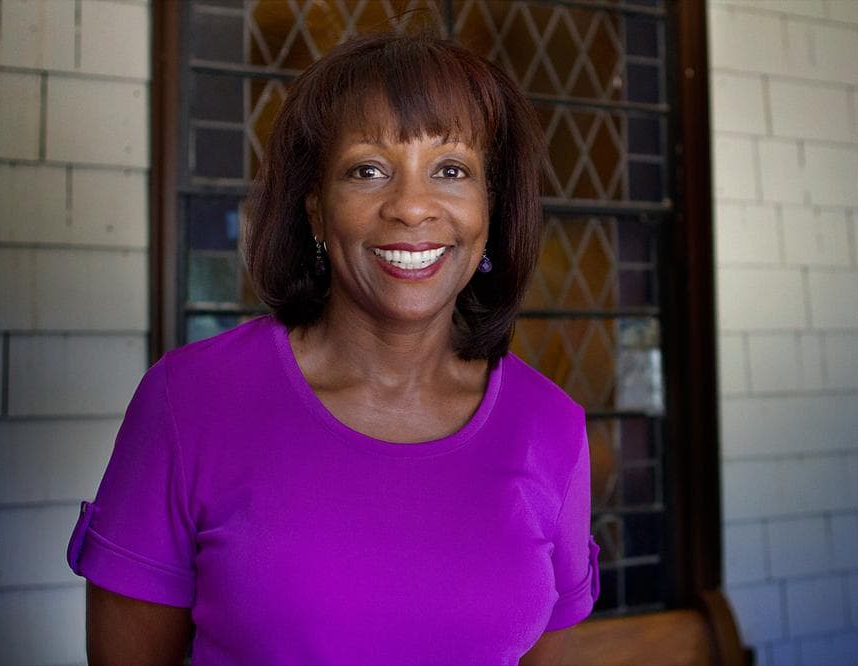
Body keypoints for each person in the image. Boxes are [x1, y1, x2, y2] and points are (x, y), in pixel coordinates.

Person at [67, 31, 599, 666]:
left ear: (491, 210)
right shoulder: (192, 402)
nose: (411, 207)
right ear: (316, 211)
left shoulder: (551, 426)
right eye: (368, 169)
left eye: (451, 170)